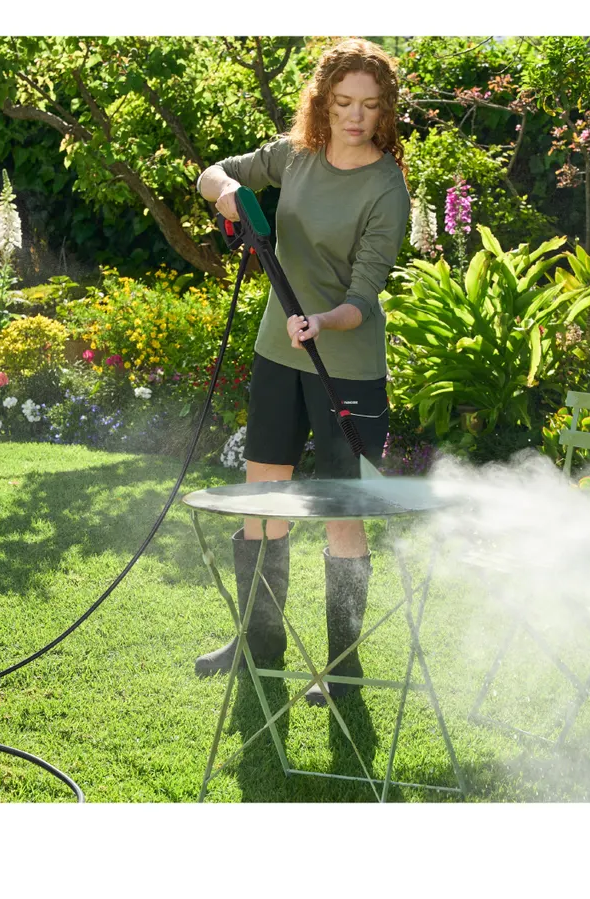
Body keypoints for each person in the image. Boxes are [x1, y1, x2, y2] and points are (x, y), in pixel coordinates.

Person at [192, 38, 411, 706]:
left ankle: (342, 669)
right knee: (265, 503)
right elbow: (211, 173)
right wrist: (228, 191)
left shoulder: (386, 187)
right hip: (276, 355)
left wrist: (324, 319)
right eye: (343, 102)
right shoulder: (295, 156)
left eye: (368, 106)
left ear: (384, 112)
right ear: (323, 101)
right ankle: (258, 646)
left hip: (343, 367)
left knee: (342, 514)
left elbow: (362, 297)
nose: (354, 117)